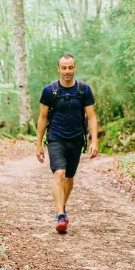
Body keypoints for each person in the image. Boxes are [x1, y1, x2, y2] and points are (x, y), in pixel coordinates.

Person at [36, 53, 98, 233]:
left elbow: (92, 117)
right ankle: (60, 215)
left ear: (75, 68)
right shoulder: (50, 91)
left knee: (69, 179)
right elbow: (42, 117)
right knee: (59, 174)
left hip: (76, 140)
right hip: (56, 138)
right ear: (59, 69)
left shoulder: (83, 90)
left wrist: (94, 141)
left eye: (70, 67)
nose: (67, 71)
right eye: (64, 68)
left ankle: (61, 207)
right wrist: (39, 143)